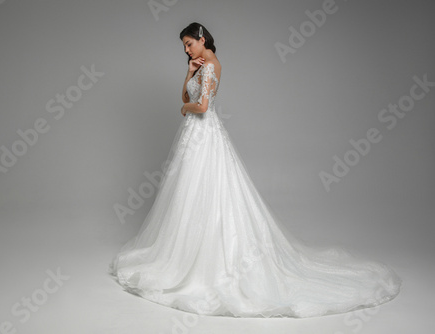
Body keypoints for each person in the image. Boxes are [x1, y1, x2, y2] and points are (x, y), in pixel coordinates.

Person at [109, 22, 402, 318]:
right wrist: (188, 73)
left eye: (188, 43)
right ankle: (188, 253)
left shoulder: (212, 66)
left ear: (201, 39)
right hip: (194, 136)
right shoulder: (199, 67)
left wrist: (185, 109)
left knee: (208, 190)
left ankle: (210, 263)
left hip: (203, 133)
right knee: (189, 193)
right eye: (184, 47)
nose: (186, 50)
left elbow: (201, 107)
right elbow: (186, 97)